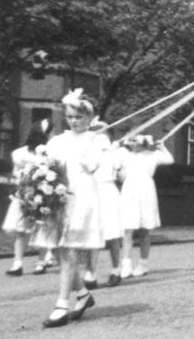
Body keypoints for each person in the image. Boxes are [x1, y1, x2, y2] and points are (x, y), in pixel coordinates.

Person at [31, 89, 106, 328]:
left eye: (79, 117)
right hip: (58, 199)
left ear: (89, 118)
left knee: (69, 251)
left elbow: (93, 166)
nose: (74, 121)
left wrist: (86, 151)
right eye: (71, 116)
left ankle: (62, 304)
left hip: (81, 198)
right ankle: (83, 295)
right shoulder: (57, 141)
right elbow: (45, 166)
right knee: (64, 251)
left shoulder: (97, 140)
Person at [2, 120, 55, 276]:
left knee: (41, 228)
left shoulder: (50, 152)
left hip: (44, 193)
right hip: (26, 193)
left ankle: (40, 262)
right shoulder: (21, 154)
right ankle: (19, 263)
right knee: (22, 229)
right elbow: (15, 172)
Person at [118, 134, 173, 278]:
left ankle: (143, 264)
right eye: (131, 139)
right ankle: (126, 265)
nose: (132, 142)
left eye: (135, 139)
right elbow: (115, 166)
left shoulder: (152, 155)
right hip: (129, 191)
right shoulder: (125, 155)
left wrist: (161, 146)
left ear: (143, 141)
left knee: (145, 229)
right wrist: (118, 146)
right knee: (127, 229)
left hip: (146, 191)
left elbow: (169, 159)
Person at [83, 121, 123, 288]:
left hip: (108, 191)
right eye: (94, 131)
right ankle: (90, 274)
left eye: (100, 131)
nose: (98, 135)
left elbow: (121, 177)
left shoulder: (115, 152)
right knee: (93, 233)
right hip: (92, 191)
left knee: (112, 233)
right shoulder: (88, 150)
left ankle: (115, 270)